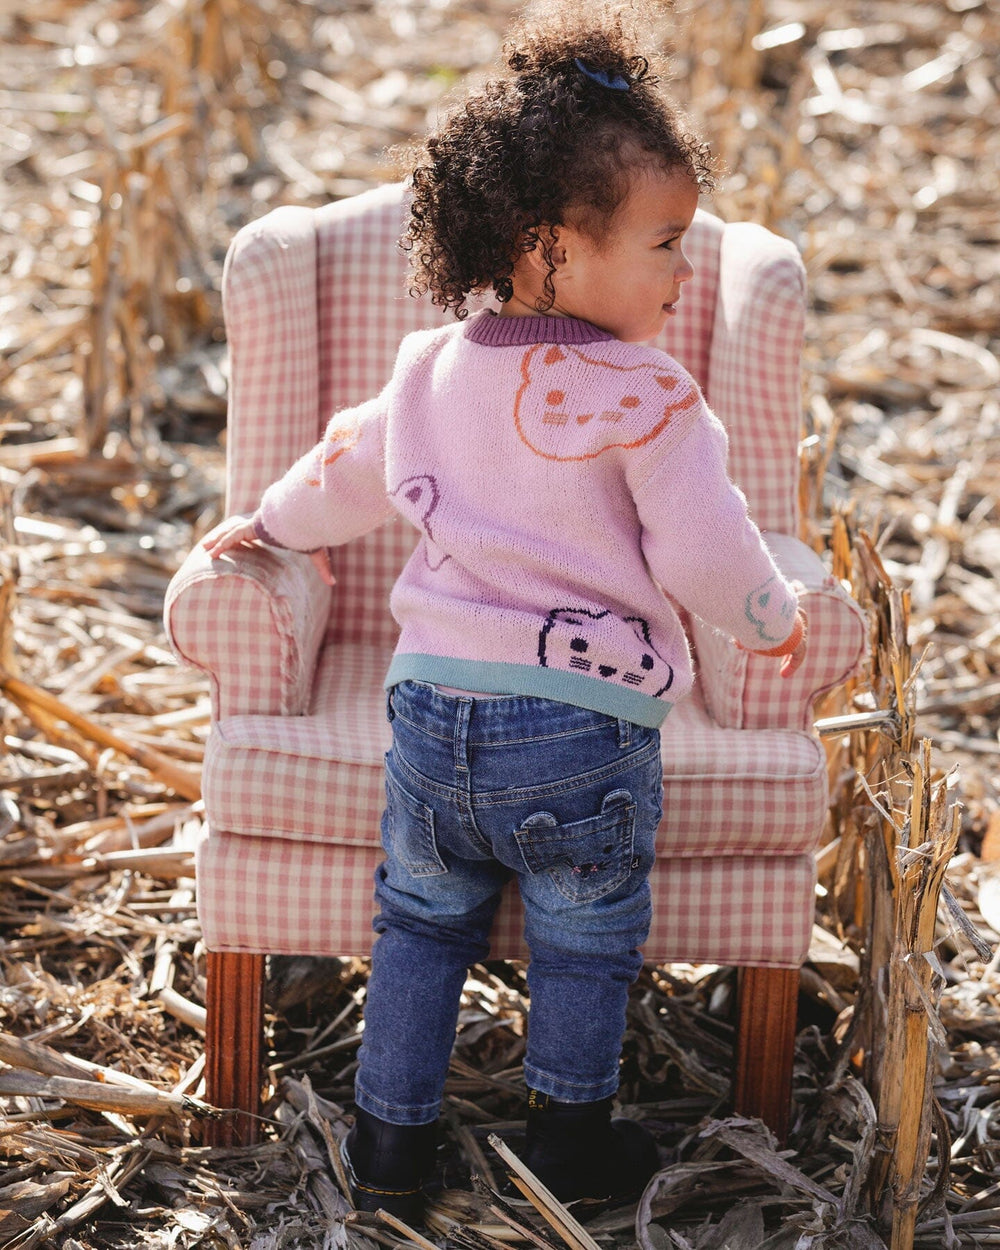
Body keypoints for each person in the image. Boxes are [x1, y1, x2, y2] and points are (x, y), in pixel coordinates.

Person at [202, 0, 808, 1221]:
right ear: (548, 249)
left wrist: (263, 524)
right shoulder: (651, 394)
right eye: (663, 244)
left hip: (432, 714)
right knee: (587, 936)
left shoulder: (427, 367)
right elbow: (704, 547)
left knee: (420, 924)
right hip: (584, 731)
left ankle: (388, 1139)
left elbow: (341, 474)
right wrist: (768, 619)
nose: (684, 273)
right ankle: (569, 1138)